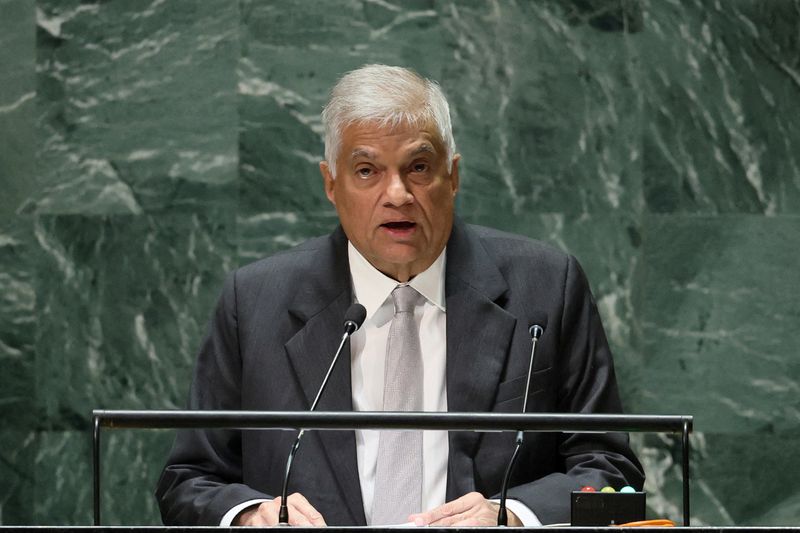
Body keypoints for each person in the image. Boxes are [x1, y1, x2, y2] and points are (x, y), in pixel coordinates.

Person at [156, 64, 644, 527]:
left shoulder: (545, 288)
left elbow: (610, 472)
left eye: (419, 167)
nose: (397, 194)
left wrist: (514, 514)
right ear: (330, 183)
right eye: (367, 170)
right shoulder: (255, 302)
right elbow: (189, 481)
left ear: (452, 176)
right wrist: (250, 513)